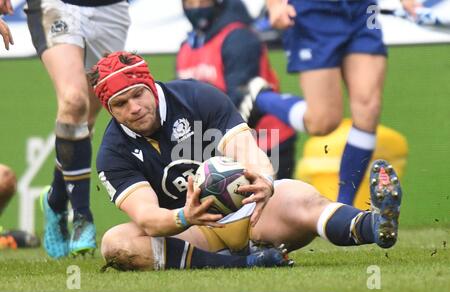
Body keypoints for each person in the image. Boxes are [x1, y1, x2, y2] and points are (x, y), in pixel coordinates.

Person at [91, 51, 402, 271]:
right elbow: (147, 217)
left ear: (150, 86)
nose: (133, 108)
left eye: (138, 95)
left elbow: (245, 147)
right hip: (191, 233)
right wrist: (185, 216)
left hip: (251, 214)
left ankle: (375, 225)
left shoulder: (197, 97)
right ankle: (244, 263)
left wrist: (264, 178)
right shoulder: (112, 152)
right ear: (109, 109)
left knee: (299, 194)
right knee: (116, 244)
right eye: (120, 104)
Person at [237, 0, 387, 207]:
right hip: (313, 11)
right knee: (322, 123)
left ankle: (344, 207)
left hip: (360, 9)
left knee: (368, 108)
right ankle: (262, 99)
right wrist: (274, 5)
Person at [16, 0, 131, 258]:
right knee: (73, 100)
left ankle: (55, 201)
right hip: (56, 5)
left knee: (83, 123)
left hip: (110, 9)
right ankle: (82, 216)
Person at [176, 0, 297, 179]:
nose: (196, 8)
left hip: (265, 141)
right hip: (219, 143)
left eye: (202, 2)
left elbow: (240, 96)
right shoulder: (186, 46)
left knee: (271, 204)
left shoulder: (239, 38)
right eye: (190, 3)